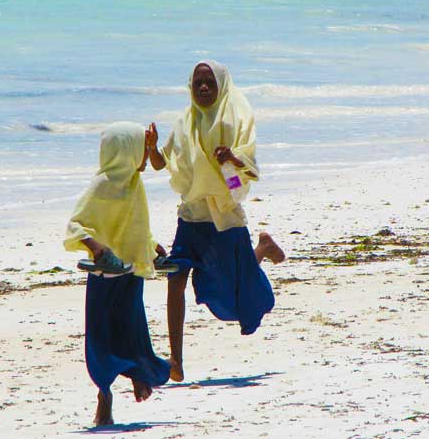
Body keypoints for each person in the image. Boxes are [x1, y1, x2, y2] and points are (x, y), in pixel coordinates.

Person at [147, 60, 285, 382]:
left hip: (225, 216)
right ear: (190, 87)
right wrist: (152, 148)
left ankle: (261, 250)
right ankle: (176, 361)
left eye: (209, 82)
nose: (204, 88)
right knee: (175, 278)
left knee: (233, 298)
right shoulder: (184, 121)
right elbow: (160, 163)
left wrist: (233, 159)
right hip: (191, 215)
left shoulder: (235, 118)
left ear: (221, 85)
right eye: (198, 83)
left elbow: (244, 176)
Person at [64, 122, 170, 425]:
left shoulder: (135, 184)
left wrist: (152, 246)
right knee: (102, 338)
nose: (145, 161)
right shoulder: (103, 185)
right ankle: (104, 394)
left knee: (132, 331)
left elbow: (135, 227)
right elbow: (76, 224)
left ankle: (138, 374)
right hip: (104, 275)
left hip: (131, 272)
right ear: (125, 153)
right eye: (141, 152)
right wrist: (96, 247)